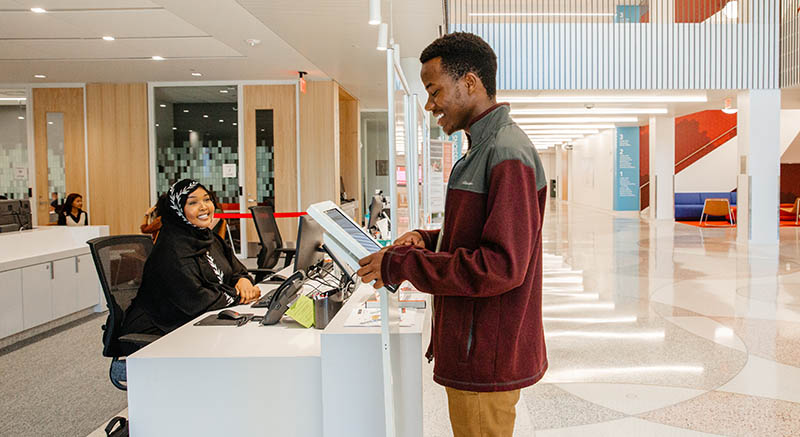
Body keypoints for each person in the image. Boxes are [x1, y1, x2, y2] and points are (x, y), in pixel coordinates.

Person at [356, 33, 548, 437]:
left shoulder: (505, 152)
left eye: (435, 90)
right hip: (475, 346)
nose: (430, 105)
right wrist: (429, 240)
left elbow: (500, 265)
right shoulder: (484, 148)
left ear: (471, 83)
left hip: (484, 353)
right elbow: (485, 231)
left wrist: (403, 263)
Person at [121, 179, 260, 339]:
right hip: (161, 328)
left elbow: (237, 270)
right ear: (177, 210)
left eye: (207, 199)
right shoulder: (171, 250)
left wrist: (244, 281)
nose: (204, 207)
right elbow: (198, 300)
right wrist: (239, 293)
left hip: (197, 320)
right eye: (193, 203)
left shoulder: (210, 239)